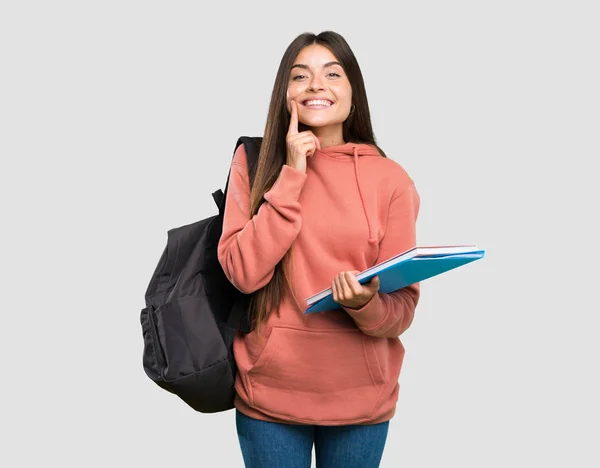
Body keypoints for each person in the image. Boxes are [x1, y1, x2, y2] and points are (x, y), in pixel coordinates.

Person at [217, 30, 420, 468]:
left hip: (360, 401)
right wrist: (291, 174)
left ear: (353, 92)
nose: (316, 85)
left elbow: (401, 309)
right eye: (300, 76)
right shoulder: (253, 164)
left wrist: (366, 305)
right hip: (270, 398)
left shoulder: (391, 179)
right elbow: (242, 272)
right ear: (285, 93)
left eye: (332, 73)